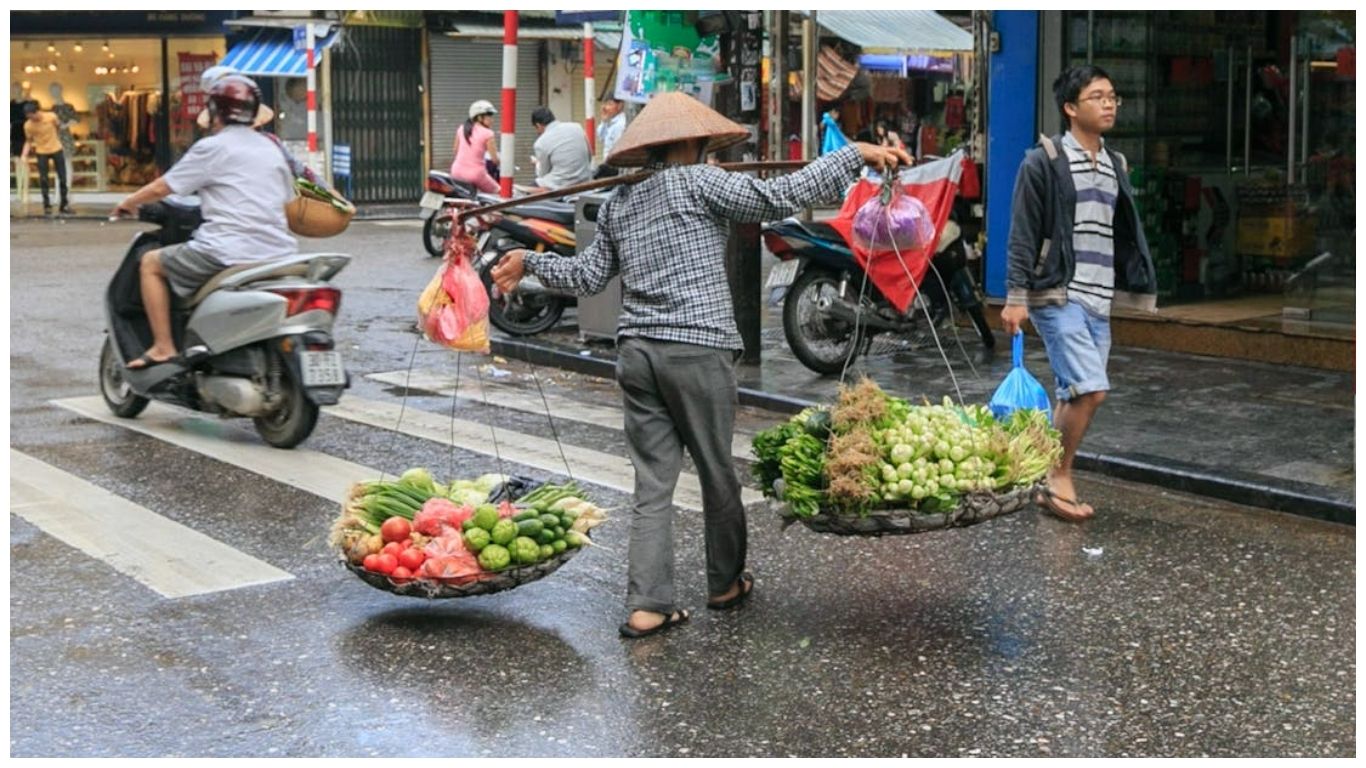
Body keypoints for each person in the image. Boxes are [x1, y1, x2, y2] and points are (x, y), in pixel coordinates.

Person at [491, 92, 911, 639]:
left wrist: (532, 261)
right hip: (697, 347)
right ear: (687, 143)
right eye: (703, 144)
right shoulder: (699, 182)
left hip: (637, 354)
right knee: (716, 473)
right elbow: (781, 195)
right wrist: (853, 153)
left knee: (652, 485)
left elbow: (588, 277)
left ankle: (647, 605)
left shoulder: (620, 201)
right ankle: (724, 583)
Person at [1000, 65, 1157, 522]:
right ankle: (1057, 475)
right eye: (1097, 97)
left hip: (1099, 297)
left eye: (1113, 96)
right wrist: (1015, 296)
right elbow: (1023, 234)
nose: (1109, 104)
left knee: (1073, 392)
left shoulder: (1116, 164)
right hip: (1056, 295)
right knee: (1091, 390)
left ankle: (1039, 473)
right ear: (1071, 108)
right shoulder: (1044, 161)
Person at [111, 75, 297, 370]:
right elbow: (287, 199)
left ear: (215, 111)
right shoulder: (272, 148)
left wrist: (128, 202)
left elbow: (163, 187)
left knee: (150, 263)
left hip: (227, 250)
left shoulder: (212, 147)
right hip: (280, 253)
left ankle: (163, 347)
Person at [20, 102, 69, 215]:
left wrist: (53, 139)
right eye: (28, 117)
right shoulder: (28, 125)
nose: (31, 119)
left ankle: (64, 205)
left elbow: (58, 128)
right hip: (41, 151)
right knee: (43, 179)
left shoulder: (51, 116)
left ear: (37, 112)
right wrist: (24, 155)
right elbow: (28, 141)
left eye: (32, 116)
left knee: (62, 178)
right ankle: (46, 205)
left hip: (56, 148)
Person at [529, 106, 591, 190]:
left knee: (527, 190)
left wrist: (537, 164)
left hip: (561, 185)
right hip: (585, 179)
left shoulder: (540, 143)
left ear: (538, 125)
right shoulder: (577, 127)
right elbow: (589, 155)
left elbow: (543, 174)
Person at [451, 99, 501, 194]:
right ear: (479, 117)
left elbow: (455, 151)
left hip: (456, 172)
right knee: (500, 194)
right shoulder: (488, 134)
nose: (492, 120)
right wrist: (502, 163)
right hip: (476, 174)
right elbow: (495, 160)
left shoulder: (461, 129)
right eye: (489, 116)